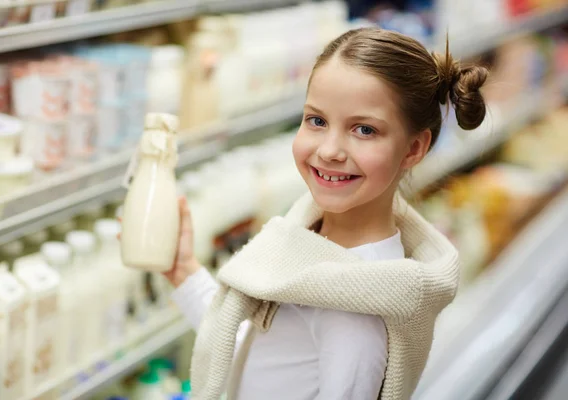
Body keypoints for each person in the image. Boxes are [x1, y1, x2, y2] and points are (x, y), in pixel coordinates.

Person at [154, 28, 486, 400]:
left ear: (413, 148)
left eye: (363, 129)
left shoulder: (355, 308)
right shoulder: (310, 239)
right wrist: (183, 270)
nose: (329, 150)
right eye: (316, 120)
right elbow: (266, 364)